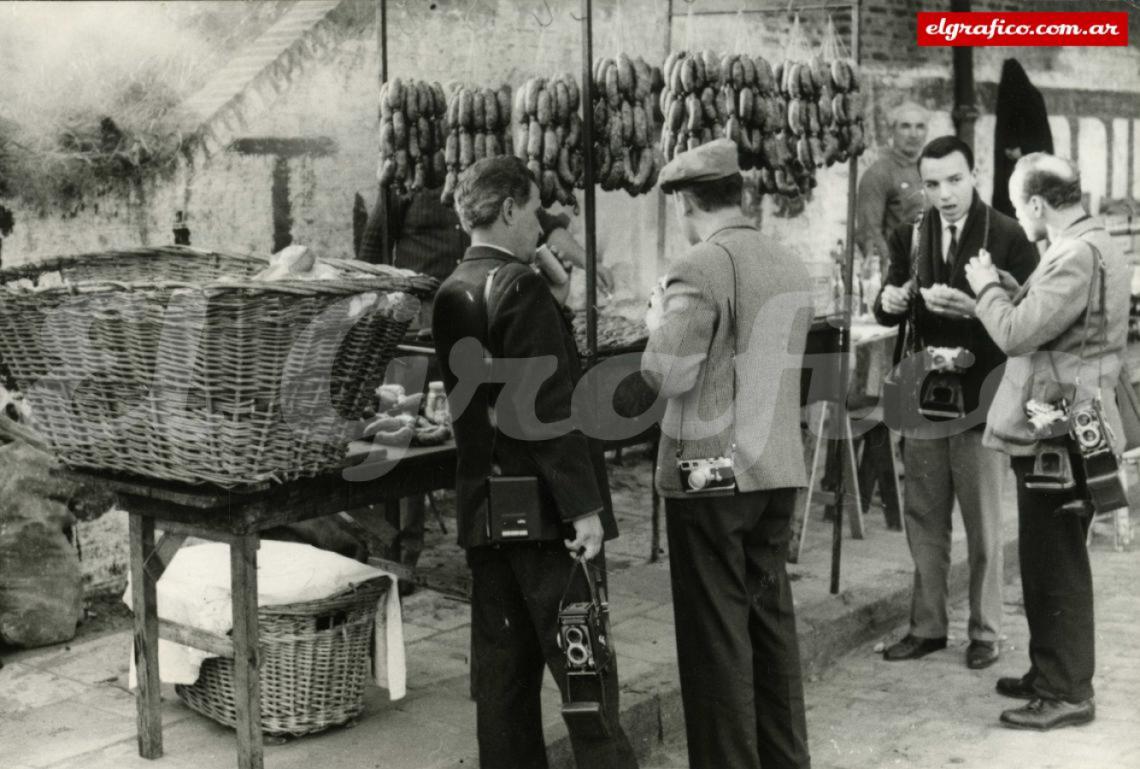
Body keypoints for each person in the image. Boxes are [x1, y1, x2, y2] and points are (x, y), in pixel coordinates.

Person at [431, 156, 637, 769]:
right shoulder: (518, 288)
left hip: (487, 514)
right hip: (547, 518)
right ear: (511, 209)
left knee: (502, 684)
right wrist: (586, 511)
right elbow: (549, 412)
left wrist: (559, 304)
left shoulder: (453, 289)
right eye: (534, 211)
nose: (540, 227)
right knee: (585, 676)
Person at [640, 139, 814, 769]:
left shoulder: (698, 266)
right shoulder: (789, 262)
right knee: (770, 632)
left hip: (710, 477)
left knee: (717, 649)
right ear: (738, 193)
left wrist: (658, 318)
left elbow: (668, 373)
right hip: (775, 472)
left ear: (688, 202)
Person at [966, 152, 1128, 730]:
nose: (1018, 216)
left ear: (1037, 204)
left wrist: (986, 288)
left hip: (1056, 425)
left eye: (1017, 205)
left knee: (1054, 560)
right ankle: (1048, 672)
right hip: (1069, 417)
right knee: (1044, 554)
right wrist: (1013, 286)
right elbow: (1059, 316)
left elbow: (1015, 333)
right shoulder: (1094, 240)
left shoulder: (1075, 254)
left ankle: (1066, 692)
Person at [873, 136, 1038, 669]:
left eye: (954, 180)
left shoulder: (1009, 235)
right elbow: (888, 304)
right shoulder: (910, 234)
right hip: (925, 394)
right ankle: (927, 627)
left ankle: (986, 633)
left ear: (974, 174)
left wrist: (979, 307)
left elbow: (1035, 319)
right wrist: (890, 300)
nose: (943, 193)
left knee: (983, 521)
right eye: (932, 183)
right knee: (924, 516)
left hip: (984, 394)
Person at [856, 101, 930, 271]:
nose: (913, 134)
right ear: (892, 131)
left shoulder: (932, 170)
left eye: (920, 127)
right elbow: (869, 233)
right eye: (905, 126)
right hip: (899, 270)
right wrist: (892, 268)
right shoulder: (878, 173)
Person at [992, 59, 1053, 220]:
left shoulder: (1032, 98)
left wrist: (1023, 149)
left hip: (1029, 166)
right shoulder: (1010, 97)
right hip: (1010, 166)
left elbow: (1042, 137)